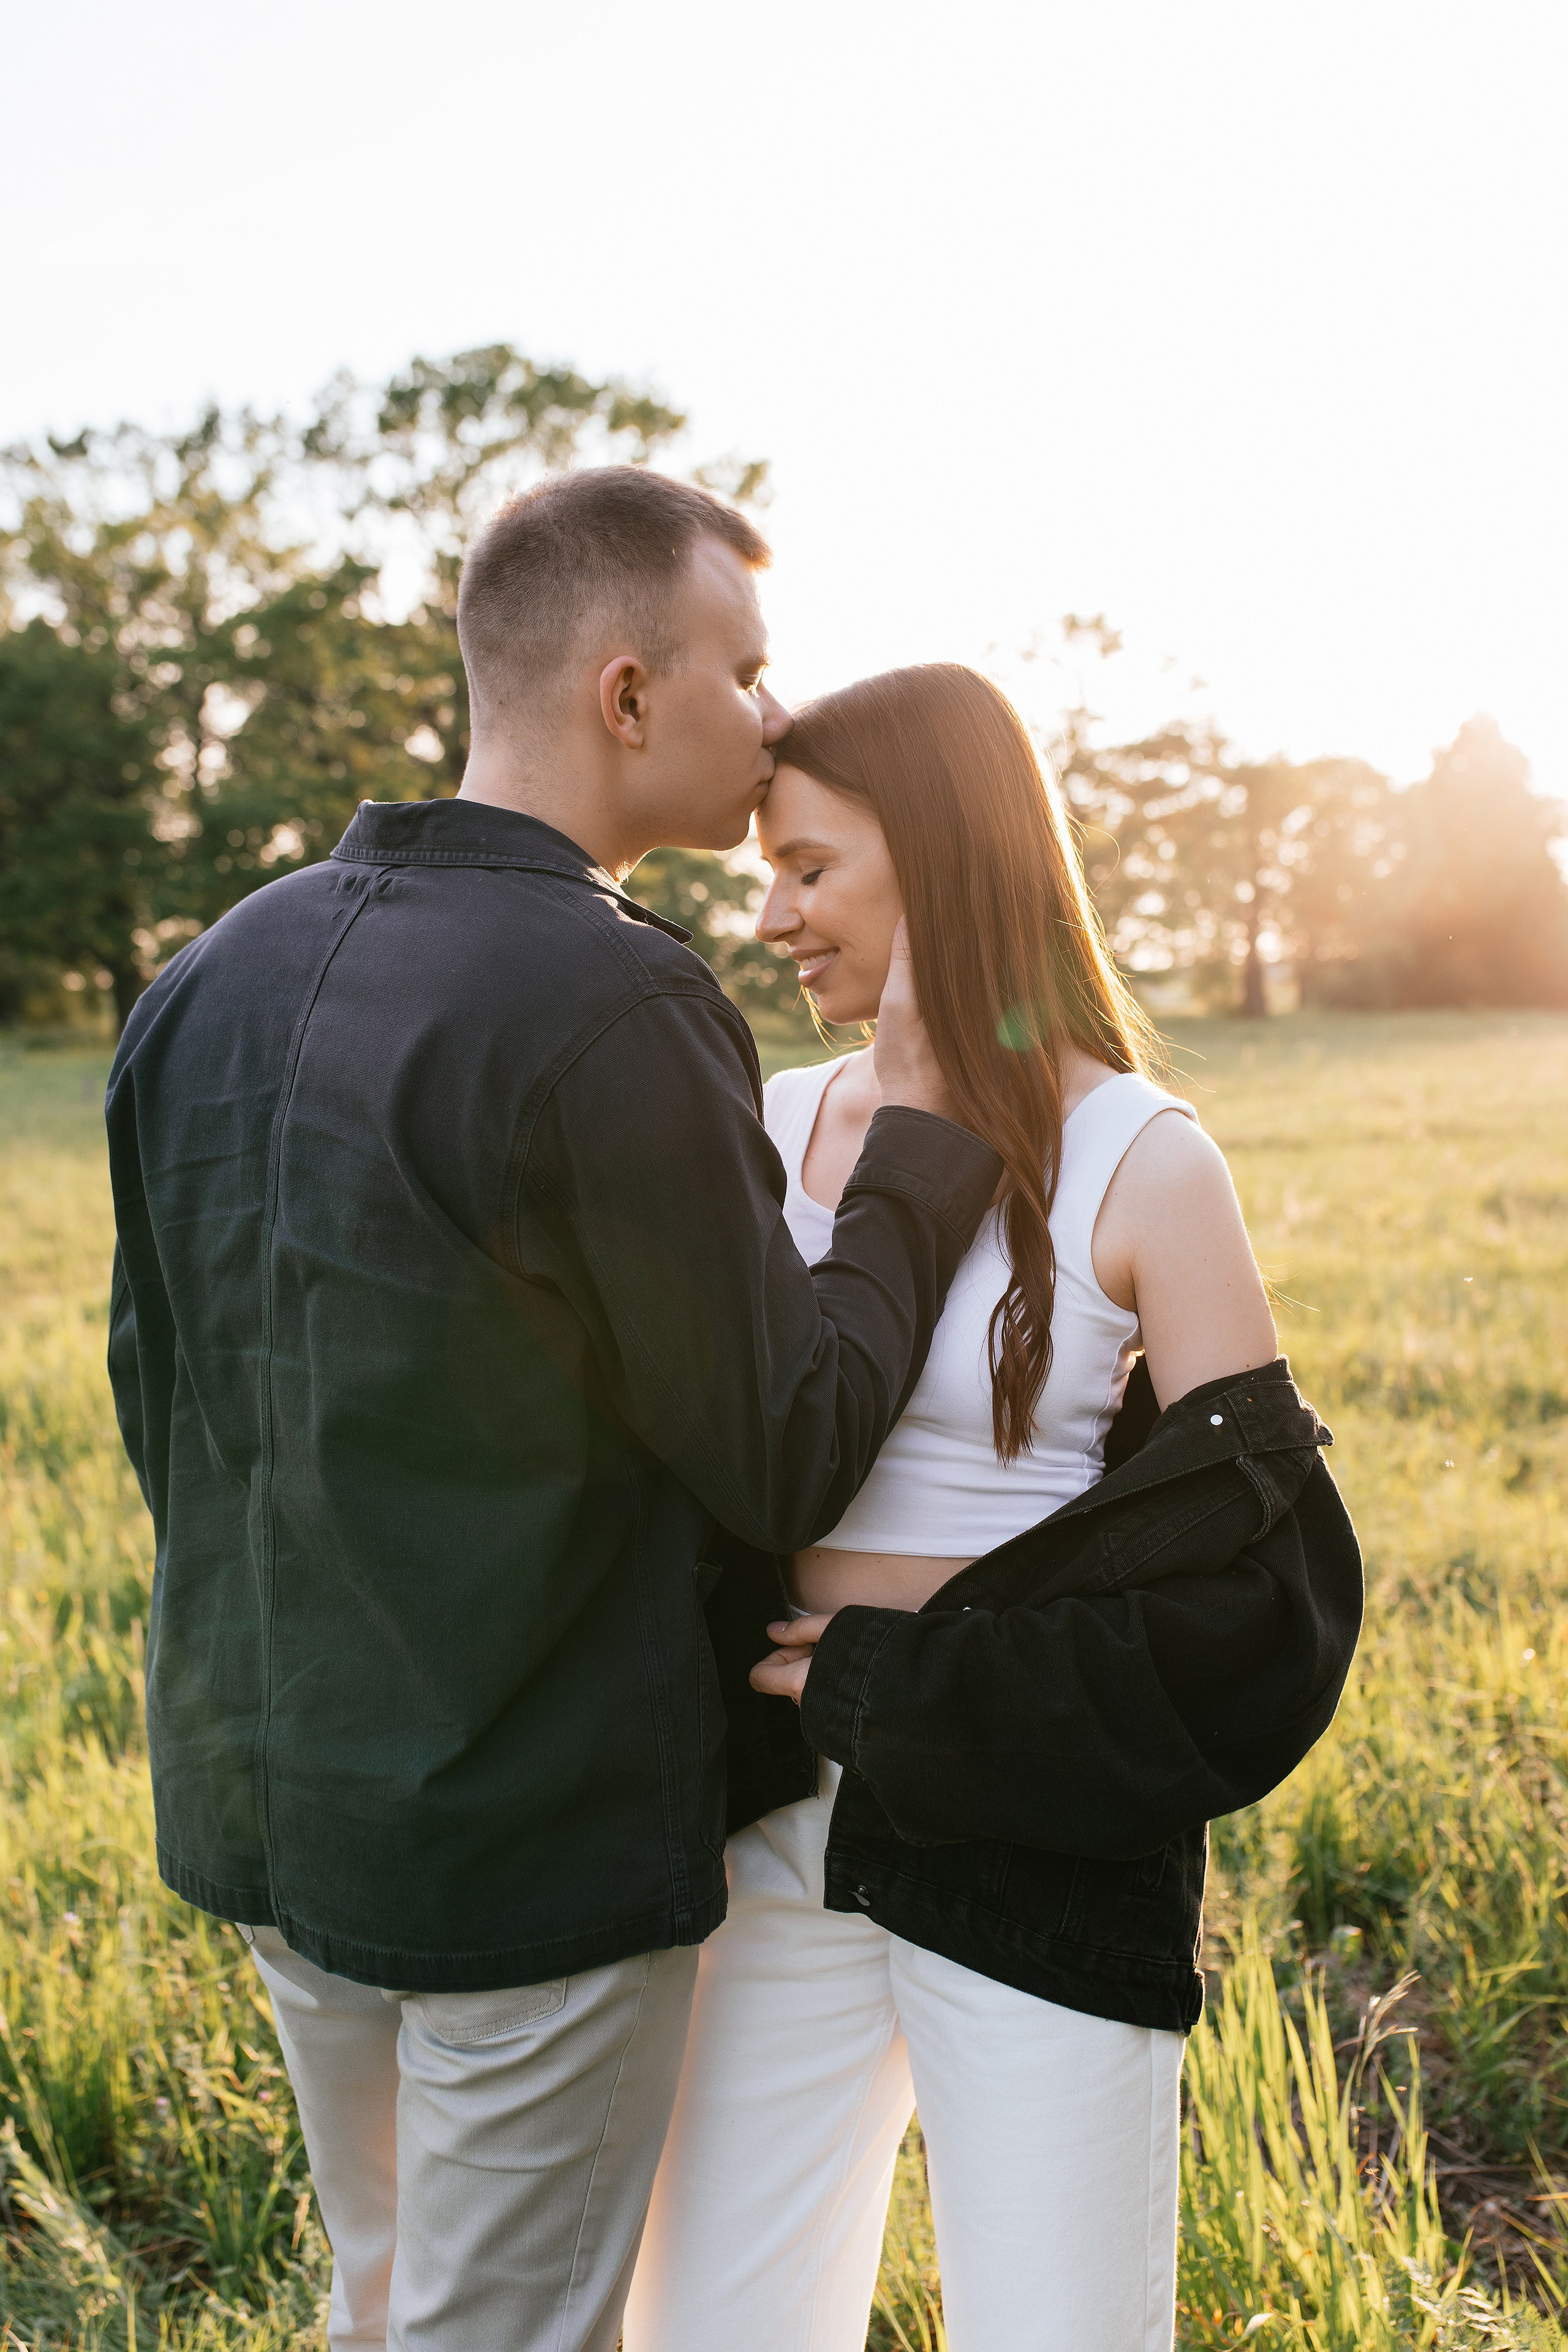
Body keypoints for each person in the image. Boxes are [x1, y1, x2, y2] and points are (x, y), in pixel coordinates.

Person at [104, 480, 1005, 2352]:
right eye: (746, 672)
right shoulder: (616, 1001)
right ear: (623, 693)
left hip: (272, 1807)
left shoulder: (205, 976)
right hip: (522, 1849)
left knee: (387, 2299)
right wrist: (921, 1142)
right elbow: (780, 1443)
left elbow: (158, 1401)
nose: (771, 718)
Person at [624, 665, 1361, 2352]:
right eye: (766, 871)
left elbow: (1264, 1596)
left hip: (1035, 1834)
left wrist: (895, 1673)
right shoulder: (765, 1120)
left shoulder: (1141, 1161)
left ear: (942, 855)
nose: (772, 913)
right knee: (708, 2328)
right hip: (767, 1834)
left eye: (809, 867)